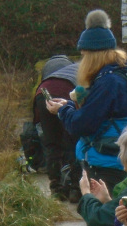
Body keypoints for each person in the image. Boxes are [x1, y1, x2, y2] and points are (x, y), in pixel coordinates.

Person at [46, 9, 127, 195]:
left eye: (84, 55)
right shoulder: (121, 74)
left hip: (106, 166)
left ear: (93, 55)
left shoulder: (108, 83)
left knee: (102, 218)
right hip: (117, 161)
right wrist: (69, 105)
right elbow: (94, 113)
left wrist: (61, 111)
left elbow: (82, 124)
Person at [33, 55, 81, 201]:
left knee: (52, 145)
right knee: (74, 143)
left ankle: (56, 188)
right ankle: (75, 189)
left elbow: (37, 121)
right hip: (67, 93)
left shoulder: (47, 77)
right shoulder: (80, 70)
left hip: (43, 94)